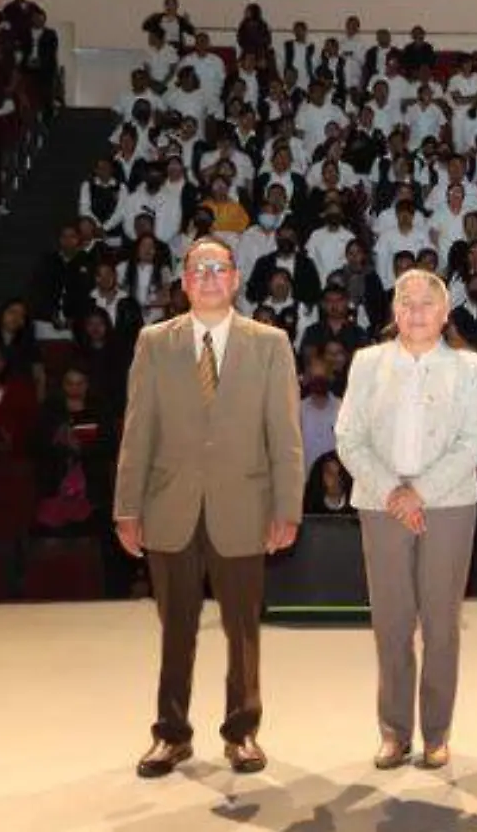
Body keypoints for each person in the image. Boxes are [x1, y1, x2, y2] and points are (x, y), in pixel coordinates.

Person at [113, 236, 304, 778]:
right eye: (200, 268)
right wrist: (127, 506)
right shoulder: (154, 342)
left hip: (244, 506)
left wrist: (287, 508)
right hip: (168, 507)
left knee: (243, 630)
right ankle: (170, 735)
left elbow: (285, 436)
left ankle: (242, 732)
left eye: (220, 267)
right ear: (185, 279)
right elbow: (138, 429)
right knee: (175, 628)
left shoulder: (270, 343)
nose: (210, 276)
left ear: (237, 278)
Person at [334, 269, 477, 771]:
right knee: (392, 623)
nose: (417, 311)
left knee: (442, 624)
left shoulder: (467, 368)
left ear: (446, 314)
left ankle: (436, 733)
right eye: (407, 302)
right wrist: (393, 491)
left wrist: (418, 491)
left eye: (427, 303)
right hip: (381, 506)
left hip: (448, 504)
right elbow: (349, 437)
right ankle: (394, 732)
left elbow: (472, 443)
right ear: (393, 311)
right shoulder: (366, 362)